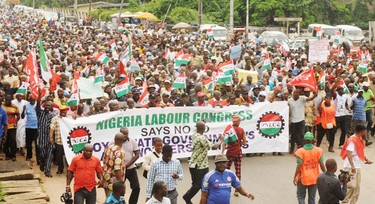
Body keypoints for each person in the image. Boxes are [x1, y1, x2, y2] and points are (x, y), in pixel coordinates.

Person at [183, 121, 224, 204]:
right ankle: (187, 197)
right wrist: (221, 140)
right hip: (198, 166)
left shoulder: (195, 135)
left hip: (202, 165)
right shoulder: (201, 138)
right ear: (204, 128)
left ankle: (205, 201)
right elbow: (215, 146)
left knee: (205, 184)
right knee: (197, 185)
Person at [340, 124, 373, 204]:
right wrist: (352, 166)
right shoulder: (352, 140)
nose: (366, 132)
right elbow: (349, 154)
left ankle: (352, 202)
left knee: (356, 188)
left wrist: (366, 159)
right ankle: (344, 202)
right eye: (365, 131)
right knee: (352, 187)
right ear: (362, 132)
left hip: (356, 166)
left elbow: (359, 152)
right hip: (351, 167)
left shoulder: (358, 139)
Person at [293, 131, 326, 204]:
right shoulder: (318, 150)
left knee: (301, 196)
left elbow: (299, 166)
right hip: (314, 178)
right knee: (312, 198)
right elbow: (321, 164)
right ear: (312, 140)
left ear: (304, 140)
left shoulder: (300, 151)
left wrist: (295, 176)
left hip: (303, 178)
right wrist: (326, 174)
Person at [221, 114, 246, 197]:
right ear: (238, 121)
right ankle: (237, 191)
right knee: (238, 171)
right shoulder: (242, 130)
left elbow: (225, 142)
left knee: (226, 171)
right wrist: (239, 144)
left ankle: (225, 188)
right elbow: (244, 142)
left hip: (230, 152)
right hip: (238, 152)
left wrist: (222, 152)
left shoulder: (229, 130)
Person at [288, 89, 316, 154]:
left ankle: (303, 147)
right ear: (292, 93)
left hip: (301, 120)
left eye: (297, 92)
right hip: (293, 120)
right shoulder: (289, 100)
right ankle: (292, 149)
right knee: (293, 136)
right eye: (294, 92)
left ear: (299, 94)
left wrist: (314, 94)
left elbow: (310, 99)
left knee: (302, 134)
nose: (296, 94)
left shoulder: (302, 98)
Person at [120, 127, 140, 204]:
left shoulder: (132, 141)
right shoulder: (114, 142)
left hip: (131, 169)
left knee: (136, 188)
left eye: (126, 134)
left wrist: (127, 165)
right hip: (120, 170)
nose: (125, 135)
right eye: (123, 134)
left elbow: (137, 154)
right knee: (120, 189)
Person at [103, 133, 126, 197]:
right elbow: (117, 168)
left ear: (114, 139)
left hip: (106, 180)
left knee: (109, 200)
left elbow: (104, 163)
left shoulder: (108, 148)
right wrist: (121, 183)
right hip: (115, 184)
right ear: (123, 140)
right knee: (115, 200)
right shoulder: (120, 152)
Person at [48, 105, 68, 175]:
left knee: (67, 156)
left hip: (68, 141)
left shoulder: (70, 118)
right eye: (62, 111)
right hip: (59, 140)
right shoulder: (55, 119)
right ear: (60, 111)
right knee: (59, 156)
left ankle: (69, 169)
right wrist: (50, 138)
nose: (63, 112)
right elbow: (52, 128)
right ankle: (60, 168)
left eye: (65, 110)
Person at [2, 95, 19, 161]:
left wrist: (16, 123)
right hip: (4, 127)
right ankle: (7, 155)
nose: (7, 101)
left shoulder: (15, 107)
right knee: (5, 141)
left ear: (11, 100)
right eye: (6, 100)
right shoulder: (2, 106)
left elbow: (18, 116)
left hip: (12, 126)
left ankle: (13, 155)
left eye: (8, 100)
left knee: (12, 141)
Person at [21, 95, 38, 161]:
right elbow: (22, 116)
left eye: (34, 100)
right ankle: (29, 155)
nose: (33, 102)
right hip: (29, 127)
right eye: (31, 100)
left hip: (37, 127)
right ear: (29, 100)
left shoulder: (37, 105)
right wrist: (23, 109)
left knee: (37, 143)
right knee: (28, 143)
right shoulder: (26, 105)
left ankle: (38, 157)